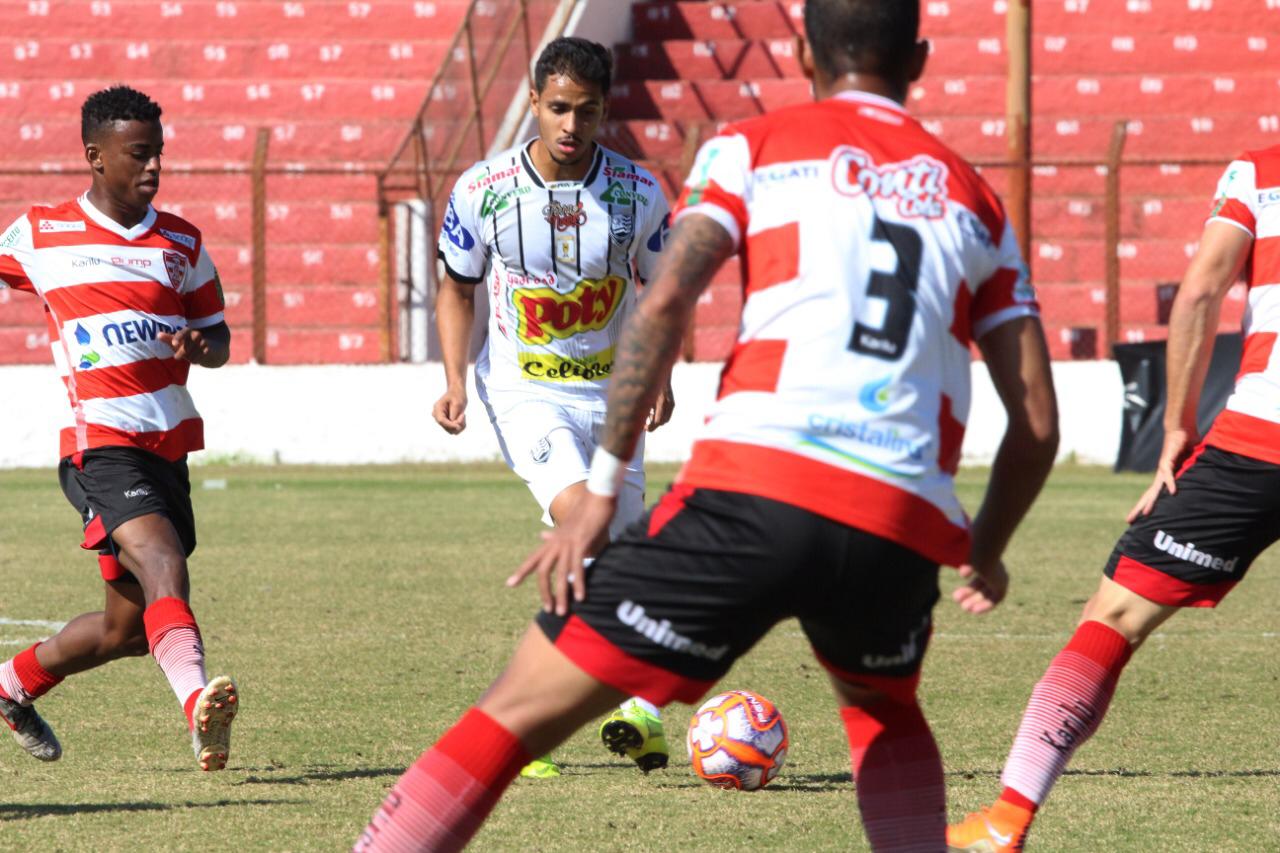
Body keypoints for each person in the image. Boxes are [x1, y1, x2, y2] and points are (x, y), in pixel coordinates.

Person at [362, 0, 1058, 849]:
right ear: (918, 59)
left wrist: (603, 489)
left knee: (517, 708)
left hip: (758, 485)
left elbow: (661, 303)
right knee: (885, 708)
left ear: (801, 49)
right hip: (898, 511)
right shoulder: (975, 193)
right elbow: (1037, 422)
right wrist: (983, 547)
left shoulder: (752, 148)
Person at [948, 145, 1280, 851]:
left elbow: (1198, 292)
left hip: (1262, 437)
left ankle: (1006, 819)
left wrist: (1175, 433)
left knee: (1116, 613)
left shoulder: (1261, 171)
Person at [429, 36, 675, 778]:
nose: (571, 125)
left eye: (588, 112)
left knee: (620, 558)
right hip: (524, 393)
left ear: (604, 114)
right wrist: (454, 379)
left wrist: (660, 374)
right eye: (559, 108)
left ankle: (549, 716)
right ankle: (589, 709)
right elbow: (457, 287)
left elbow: (664, 294)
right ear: (534, 102)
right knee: (583, 522)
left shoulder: (638, 193)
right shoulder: (485, 189)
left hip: (615, 397)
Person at [0, 86, 239, 772]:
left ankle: (10, 685)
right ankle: (198, 705)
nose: (154, 168)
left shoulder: (181, 241)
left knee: (125, 629)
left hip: (166, 445)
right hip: (99, 445)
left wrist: (202, 345)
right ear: (94, 157)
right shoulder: (43, 232)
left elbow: (220, 336)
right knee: (165, 563)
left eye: (158, 154)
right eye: (139, 155)